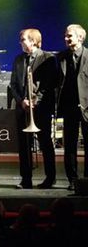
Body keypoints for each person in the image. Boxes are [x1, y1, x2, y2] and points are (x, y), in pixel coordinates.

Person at [9, 29, 57, 190]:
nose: (20, 42)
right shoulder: (18, 59)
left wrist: (35, 100)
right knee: (24, 145)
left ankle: (50, 178)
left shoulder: (48, 58)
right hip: (23, 107)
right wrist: (21, 100)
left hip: (41, 108)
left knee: (45, 143)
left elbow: (48, 85)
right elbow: (13, 84)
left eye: (23, 39)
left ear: (33, 41)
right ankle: (26, 179)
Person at [57, 24, 88, 191]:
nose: (66, 39)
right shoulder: (61, 57)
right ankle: (72, 179)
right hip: (68, 107)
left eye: (70, 36)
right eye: (66, 36)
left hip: (87, 107)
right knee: (69, 145)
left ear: (80, 38)